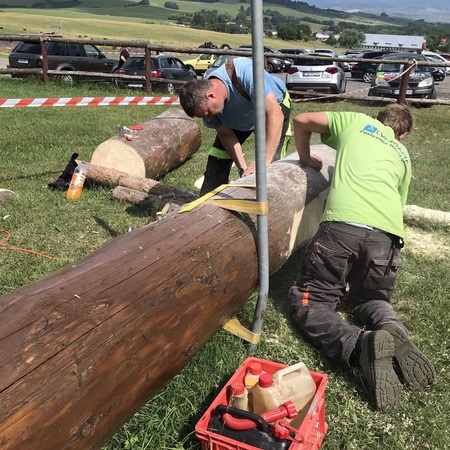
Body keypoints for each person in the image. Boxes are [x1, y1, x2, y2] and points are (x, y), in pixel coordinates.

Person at [288, 104, 436, 410]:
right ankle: (390, 328)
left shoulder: (356, 121)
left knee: (311, 300)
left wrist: (305, 158)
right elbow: (398, 201)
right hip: (387, 236)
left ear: (378, 119)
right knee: (372, 298)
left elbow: (301, 120)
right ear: (403, 135)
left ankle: (359, 345)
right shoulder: (402, 155)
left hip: (343, 226)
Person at [178, 57, 291, 195]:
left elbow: (275, 114)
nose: (208, 118)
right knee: (218, 157)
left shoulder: (244, 72)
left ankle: (276, 203)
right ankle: (209, 204)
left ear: (210, 95)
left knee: (273, 163)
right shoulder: (210, 108)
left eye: (207, 112)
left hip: (274, 109)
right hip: (240, 116)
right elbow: (226, 135)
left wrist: (263, 161)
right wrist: (242, 168)